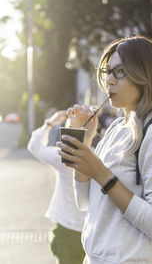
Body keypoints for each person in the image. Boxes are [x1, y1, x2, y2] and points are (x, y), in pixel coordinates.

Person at [56, 35, 152, 264]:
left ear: (145, 76)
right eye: (108, 71)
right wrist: (84, 143)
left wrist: (101, 173)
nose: (109, 81)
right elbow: (84, 203)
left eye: (120, 71)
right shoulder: (116, 128)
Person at [27, 110, 86, 264]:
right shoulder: (100, 155)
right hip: (93, 230)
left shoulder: (63, 157)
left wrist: (50, 123)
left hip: (67, 226)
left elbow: (34, 146)